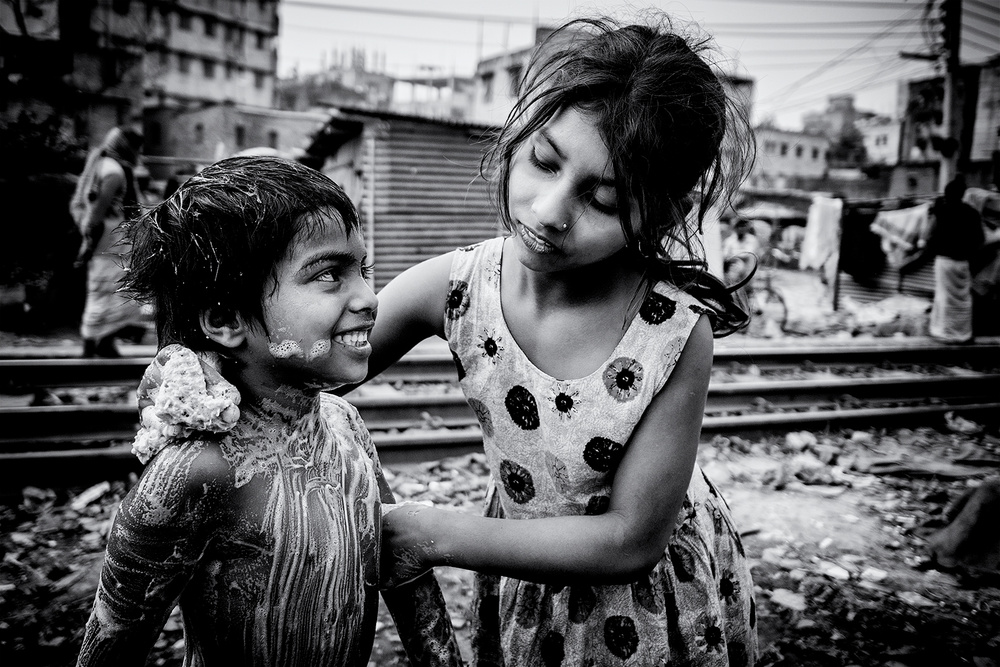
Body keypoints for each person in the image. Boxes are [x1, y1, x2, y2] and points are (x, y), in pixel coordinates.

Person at [136, 14, 759, 666]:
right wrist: (204, 371)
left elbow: (631, 538)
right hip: (527, 570)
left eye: (603, 199)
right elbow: (314, 361)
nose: (549, 209)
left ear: (659, 212)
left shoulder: (672, 331)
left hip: (640, 600)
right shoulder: (462, 284)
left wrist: (438, 533)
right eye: (544, 161)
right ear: (518, 136)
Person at [76, 156, 463, 666]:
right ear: (225, 318)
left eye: (363, 270)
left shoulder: (345, 426)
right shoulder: (195, 471)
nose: (369, 298)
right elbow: (111, 643)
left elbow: (404, 571)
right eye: (329, 275)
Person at [70, 126, 149, 357]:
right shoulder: (114, 172)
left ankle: (97, 344)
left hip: (106, 241)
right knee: (113, 291)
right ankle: (99, 344)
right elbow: (97, 213)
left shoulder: (102, 165)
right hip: (111, 241)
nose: (139, 154)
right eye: (137, 149)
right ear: (129, 147)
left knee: (102, 291)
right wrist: (88, 242)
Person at [905, 176, 985, 343]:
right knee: (963, 299)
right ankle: (962, 334)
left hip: (944, 262)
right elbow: (980, 240)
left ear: (947, 194)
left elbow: (927, 236)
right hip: (963, 262)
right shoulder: (972, 213)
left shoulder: (940, 212)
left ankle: (944, 332)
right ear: (963, 194)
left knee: (943, 297)